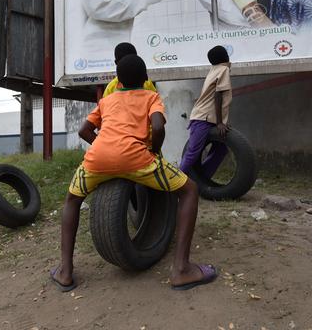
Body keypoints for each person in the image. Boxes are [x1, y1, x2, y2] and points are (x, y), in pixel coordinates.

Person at [51, 55, 216, 291]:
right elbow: (158, 126)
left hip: (96, 160)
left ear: (118, 81)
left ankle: (65, 271)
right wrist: (154, 151)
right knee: (189, 190)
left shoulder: (107, 101)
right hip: (137, 159)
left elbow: (84, 130)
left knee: (72, 200)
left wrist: (105, 147)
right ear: (146, 78)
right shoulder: (151, 96)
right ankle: (181, 270)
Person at [180, 46, 232, 178]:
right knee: (192, 153)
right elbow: (218, 95)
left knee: (221, 148)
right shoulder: (223, 69)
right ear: (225, 56)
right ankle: (175, 186)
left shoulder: (214, 69)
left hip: (207, 118)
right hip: (203, 118)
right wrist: (220, 123)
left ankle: (202, 179)